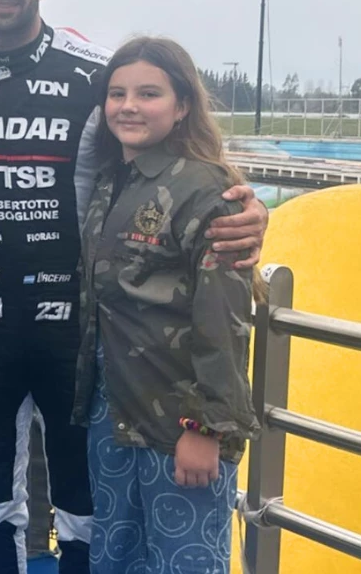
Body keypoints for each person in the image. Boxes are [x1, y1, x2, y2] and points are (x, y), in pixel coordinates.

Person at [0, 0, 269, 574]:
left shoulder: (94, 75)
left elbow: (163, 164)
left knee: (88, 510)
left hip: (79, 329)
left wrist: (242, 205)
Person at [72, 36, 261, 573]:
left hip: (182, 423)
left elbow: (224, 319)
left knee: (184, 564)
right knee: (115, 558)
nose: (129, 105)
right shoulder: (113, 181)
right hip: (116, 414)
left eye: (148, 93)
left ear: (181, 107)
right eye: (117, 93)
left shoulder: (209, 192)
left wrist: (205, 428)